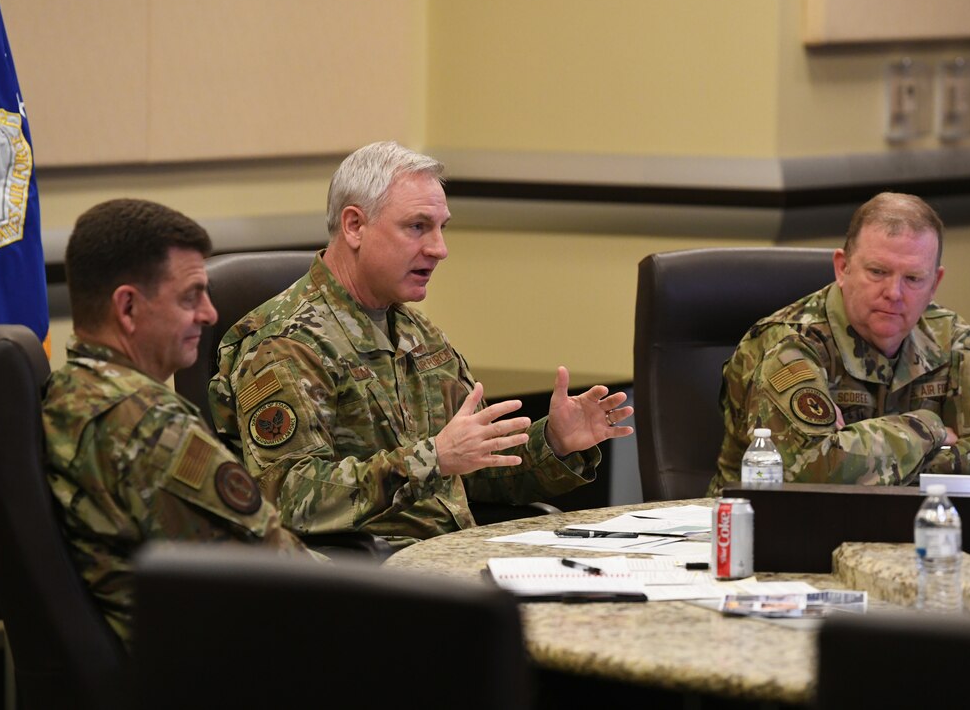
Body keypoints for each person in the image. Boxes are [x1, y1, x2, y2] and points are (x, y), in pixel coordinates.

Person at [209, 141, 633, 549]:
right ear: (354, 225)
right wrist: (433, 459)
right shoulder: (285, 345)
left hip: (448, 557)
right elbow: (289, 498)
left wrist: (554, 442)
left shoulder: (416, 333)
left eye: (441, 228)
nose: (440, 249)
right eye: (417, 227)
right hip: (366, 578)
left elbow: (477, 470)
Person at [44, 198, 314, 647]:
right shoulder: (153, 426)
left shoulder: (69, 389)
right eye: (191, 297)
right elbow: (282, 568)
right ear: (128, 308)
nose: (209, 314)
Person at [710, 192, 970, 494]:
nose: (894, 293)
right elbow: (813, 472)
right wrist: (926, 427)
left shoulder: (948, 335)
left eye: (913, 278)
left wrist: (870, 460)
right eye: (878, 272)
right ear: (842, 268)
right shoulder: (790, 343)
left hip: (911, 526)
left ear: (934, 284)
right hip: (765, 532)